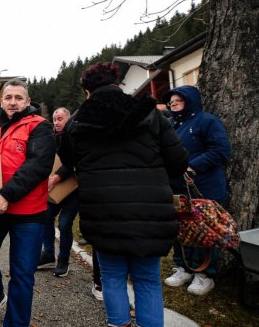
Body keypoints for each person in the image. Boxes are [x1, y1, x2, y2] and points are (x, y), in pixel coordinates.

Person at [59, 63, 188, 327]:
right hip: (150, 210)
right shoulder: (149, 113)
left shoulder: (76, 122)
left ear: (87, 91)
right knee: (148, 278)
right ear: (118, 84)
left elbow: (69, 162)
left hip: (102, 211)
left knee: (112, 277)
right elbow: (178, 161)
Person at [0, 78, 55, 326]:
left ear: (27, 101)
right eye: (8, 97)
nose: (13, 102)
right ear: (1, 101)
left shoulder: (40, 127)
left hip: (28, 212)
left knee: (22, 274)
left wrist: (6, 195)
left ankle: (16, 322)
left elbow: (38, 166)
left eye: (18, 98)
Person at [163, 85, 231, 296]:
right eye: (171, 101)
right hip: (177, 188)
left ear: (190, 100)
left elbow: (221, 150)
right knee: (180, 228)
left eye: (178, 100)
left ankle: (204, 274)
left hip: (204, 188)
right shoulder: (171, 125)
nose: (173, 104)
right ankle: (183, 267)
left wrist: (193, 166)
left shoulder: (208, 121)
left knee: (204, 230)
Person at [38, 107, 80, 279]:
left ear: (68, 119)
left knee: (64, 224)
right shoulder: (52, 138)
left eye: (60, 118)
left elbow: (75, 159)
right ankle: (48, 254)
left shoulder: (75, 136)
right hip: (55, 190)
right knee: (46, 216)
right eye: (54, 119)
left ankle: (63, 260)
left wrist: (57, 176)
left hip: (74, 190)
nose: (56, 122)